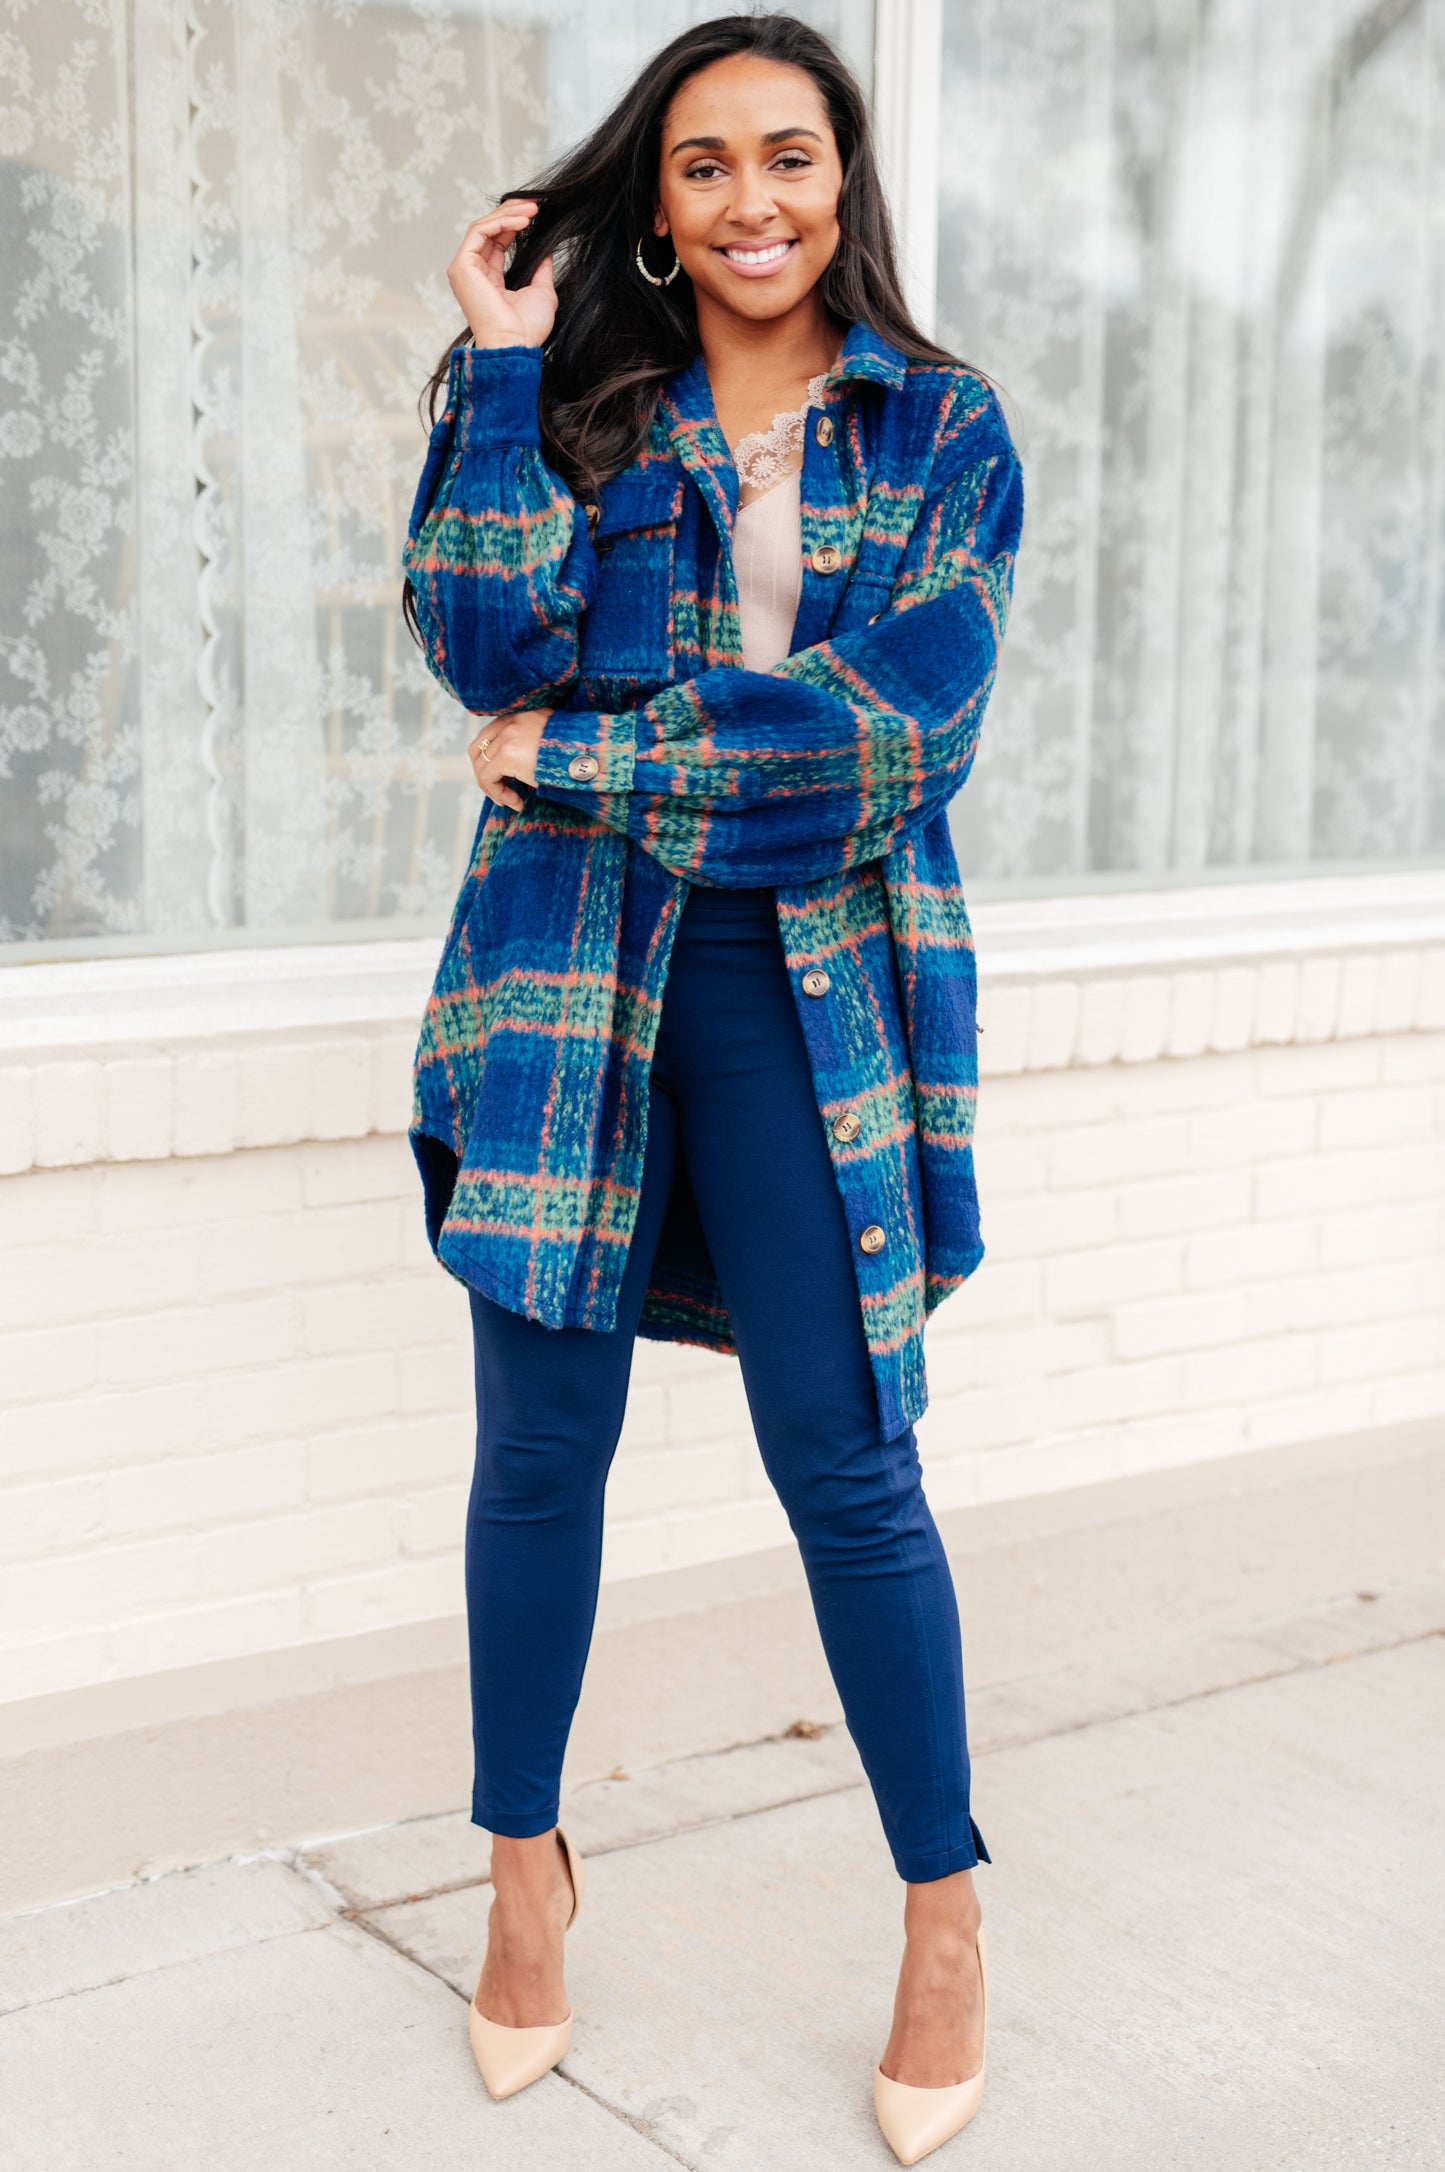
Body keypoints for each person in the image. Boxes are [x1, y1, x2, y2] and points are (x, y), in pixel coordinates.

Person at [400, 14, 1023, 2162]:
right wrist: (493, 361)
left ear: (846, 180)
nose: (752, 197)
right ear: (653, 203)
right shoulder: (577, 404)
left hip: (814, 998)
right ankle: (519, 1876)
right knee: (536, 1458)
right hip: (565, 986)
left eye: (791, 154)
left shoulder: (944, 437)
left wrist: (584, 760)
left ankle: (942, 1916)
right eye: (703, 164)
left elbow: (883, 742)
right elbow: (479, 639)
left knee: (848, 1468)